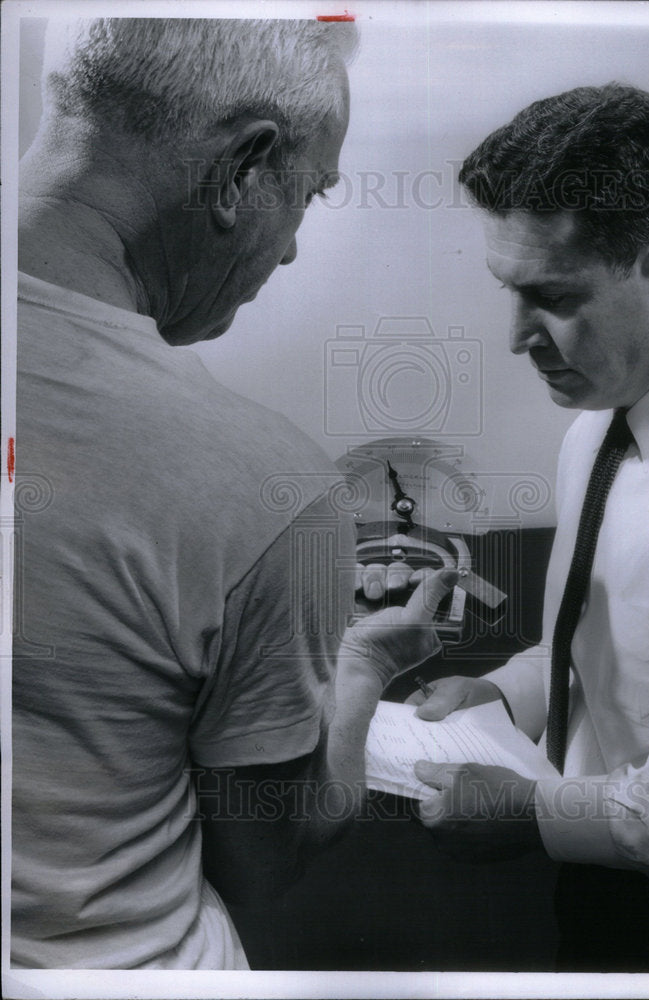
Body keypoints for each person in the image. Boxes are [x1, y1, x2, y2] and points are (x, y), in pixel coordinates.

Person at [12, 17, 455, 970]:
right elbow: (269, 853)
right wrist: (367, 667)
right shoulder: (263, 482)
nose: (290, 250)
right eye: (310, 195)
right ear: (242, 170)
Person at [410, 84, 649, 972]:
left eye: (550, 296)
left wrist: (539, 816)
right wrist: (504, 696)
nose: (516, 337)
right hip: (597, 892)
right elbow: (612, 655)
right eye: (508, 293)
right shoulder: (595, 426)